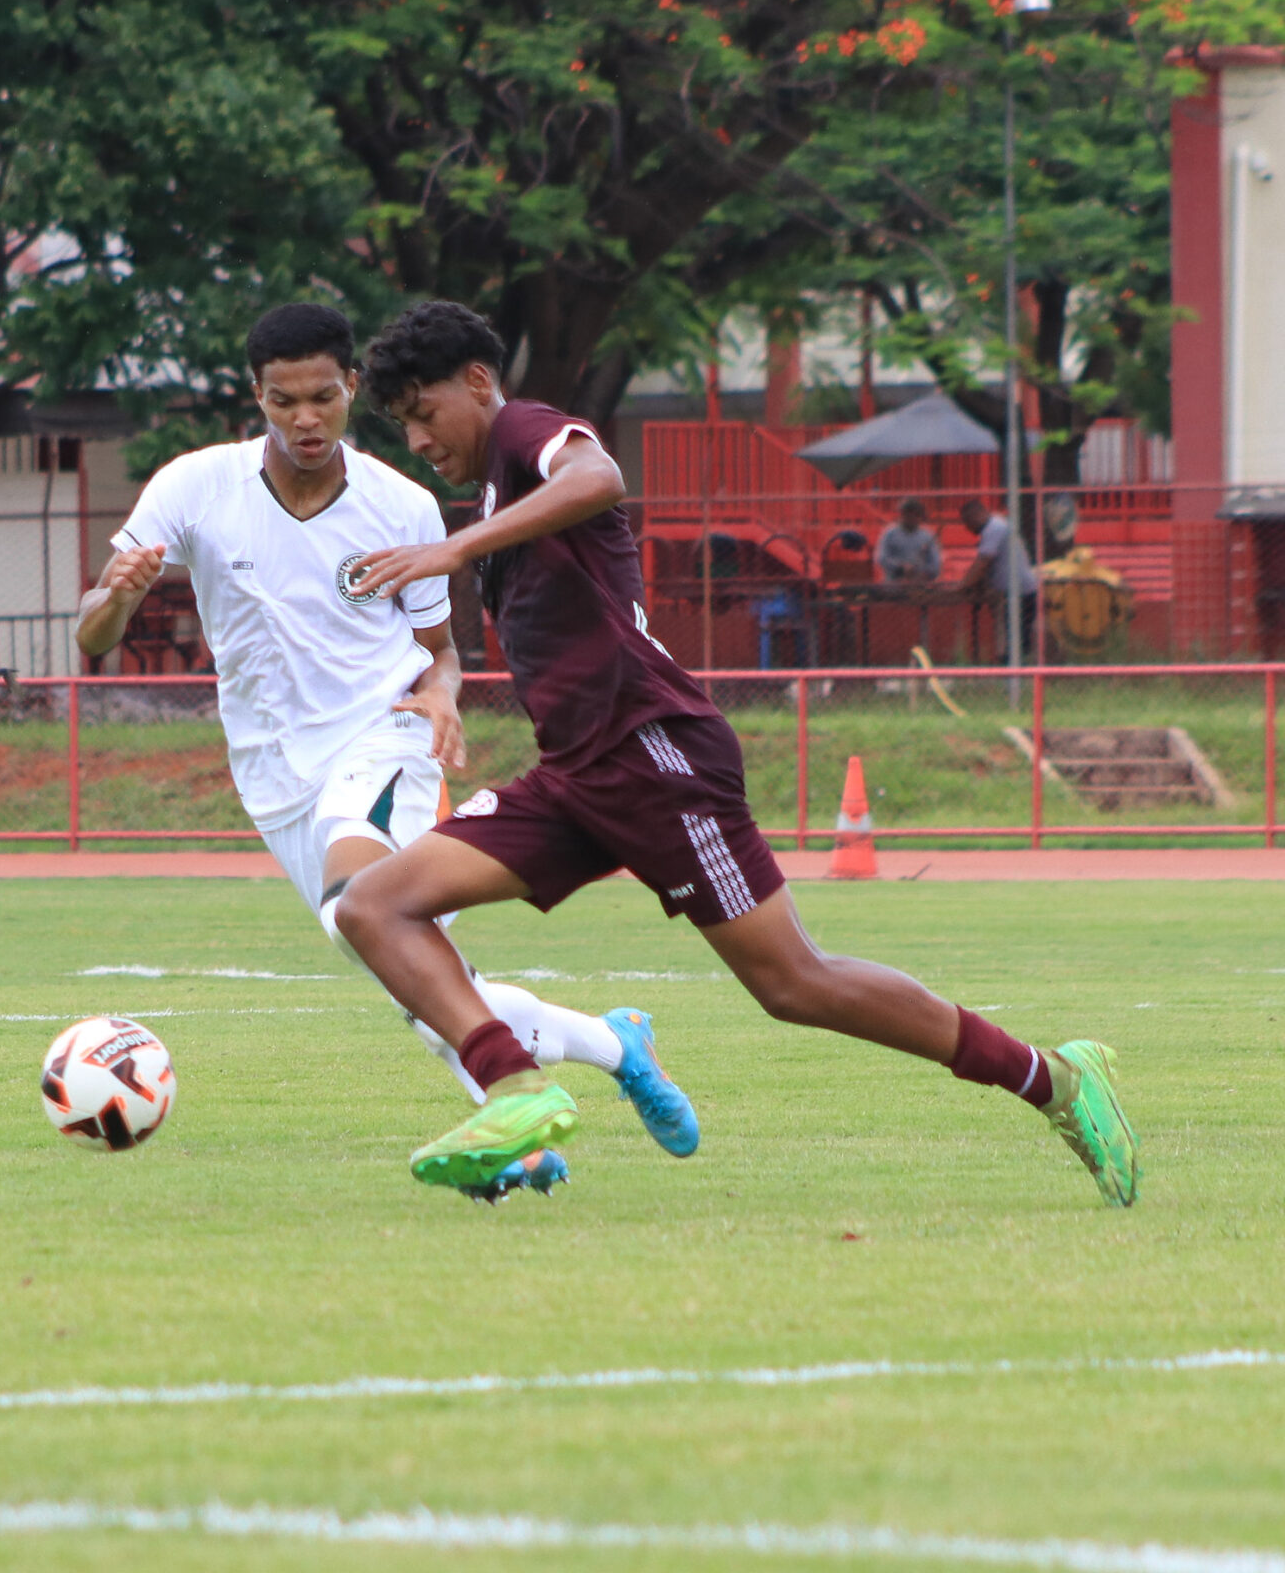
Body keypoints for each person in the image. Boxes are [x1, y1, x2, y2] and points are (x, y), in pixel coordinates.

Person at [334, 300, 1137, 1205]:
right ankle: (516, 1086)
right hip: (576, 778)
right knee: (374, 907)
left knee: (795, 983)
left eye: (423, 411)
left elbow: (600, 476)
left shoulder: (524, 433)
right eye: (400, 423)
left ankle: (1056, 1080)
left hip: (653, 755)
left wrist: (456, 548)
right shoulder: (491, 495)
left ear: (477, 382)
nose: (416, 437)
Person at [75, 303, 701, 1200]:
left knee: (363, 910)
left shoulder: (399, 502)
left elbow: (439, 652)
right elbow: (94, 634)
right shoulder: (191, 487)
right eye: (283, 401)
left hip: (383, 736)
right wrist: (120, 598)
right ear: (256, 396)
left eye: (324, 397)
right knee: (414, 977)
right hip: (273, 775)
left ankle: (515, 1126)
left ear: (351, 390)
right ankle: (611, 1045)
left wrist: (442, 697)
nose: (305, 420)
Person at [954, 498, 1040, 664]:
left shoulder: (994, 528)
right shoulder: (997, 526)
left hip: (1019, 592)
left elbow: (983, 561)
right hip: (1016, 591)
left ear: (976, 515)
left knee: (1014, 637)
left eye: (967, 522)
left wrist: (963, 585)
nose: (967, 528)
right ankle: (1015, 671)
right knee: (1016, 636)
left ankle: (1015, 674)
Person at [873, 498, 942, 587]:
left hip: (920, 586)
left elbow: (935, 565)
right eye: (908, 514)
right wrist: (901, 568)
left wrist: (921, 573)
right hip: (894, 584)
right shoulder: (889, 533)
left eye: (916, 514)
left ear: (920, 516)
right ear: (902, 514)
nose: (912, 517)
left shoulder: (927, 536)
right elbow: (881, 558)